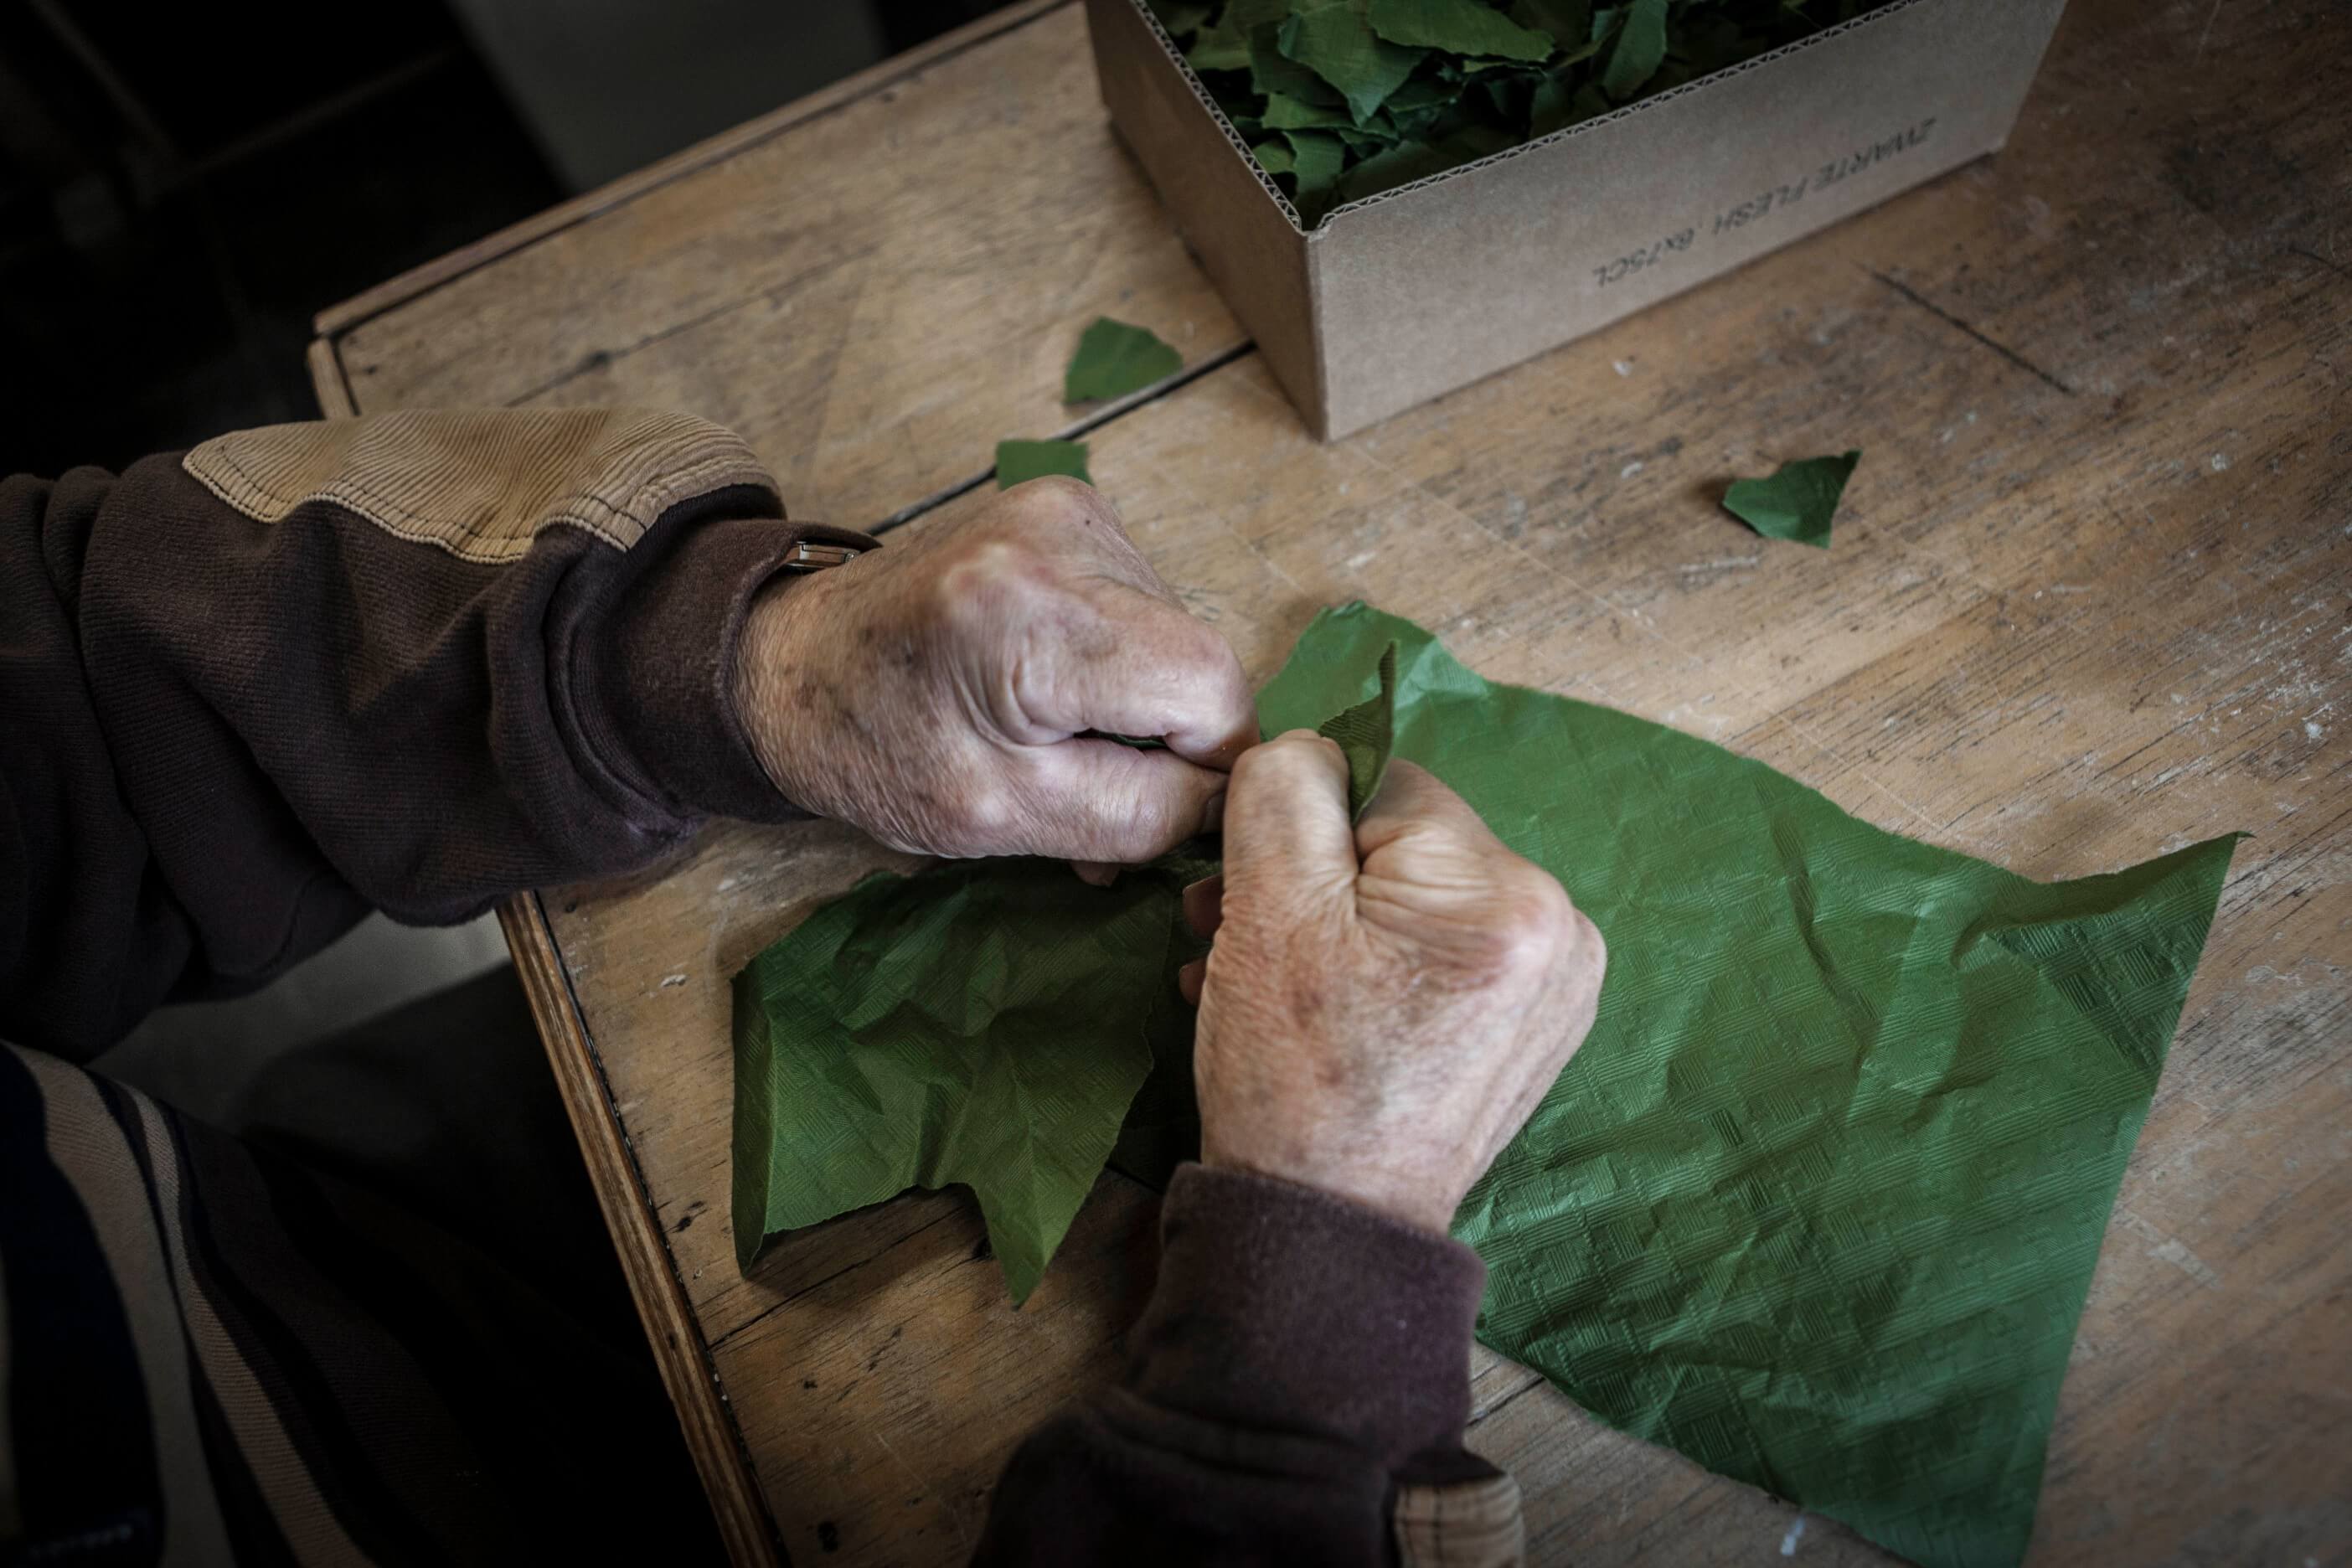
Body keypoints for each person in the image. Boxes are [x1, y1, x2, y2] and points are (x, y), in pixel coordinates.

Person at [1, 409, 1605, 1565]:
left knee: (430, 1102)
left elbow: (59, 674)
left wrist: (719, 662)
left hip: (261, 1246)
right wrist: (1325, 1286)